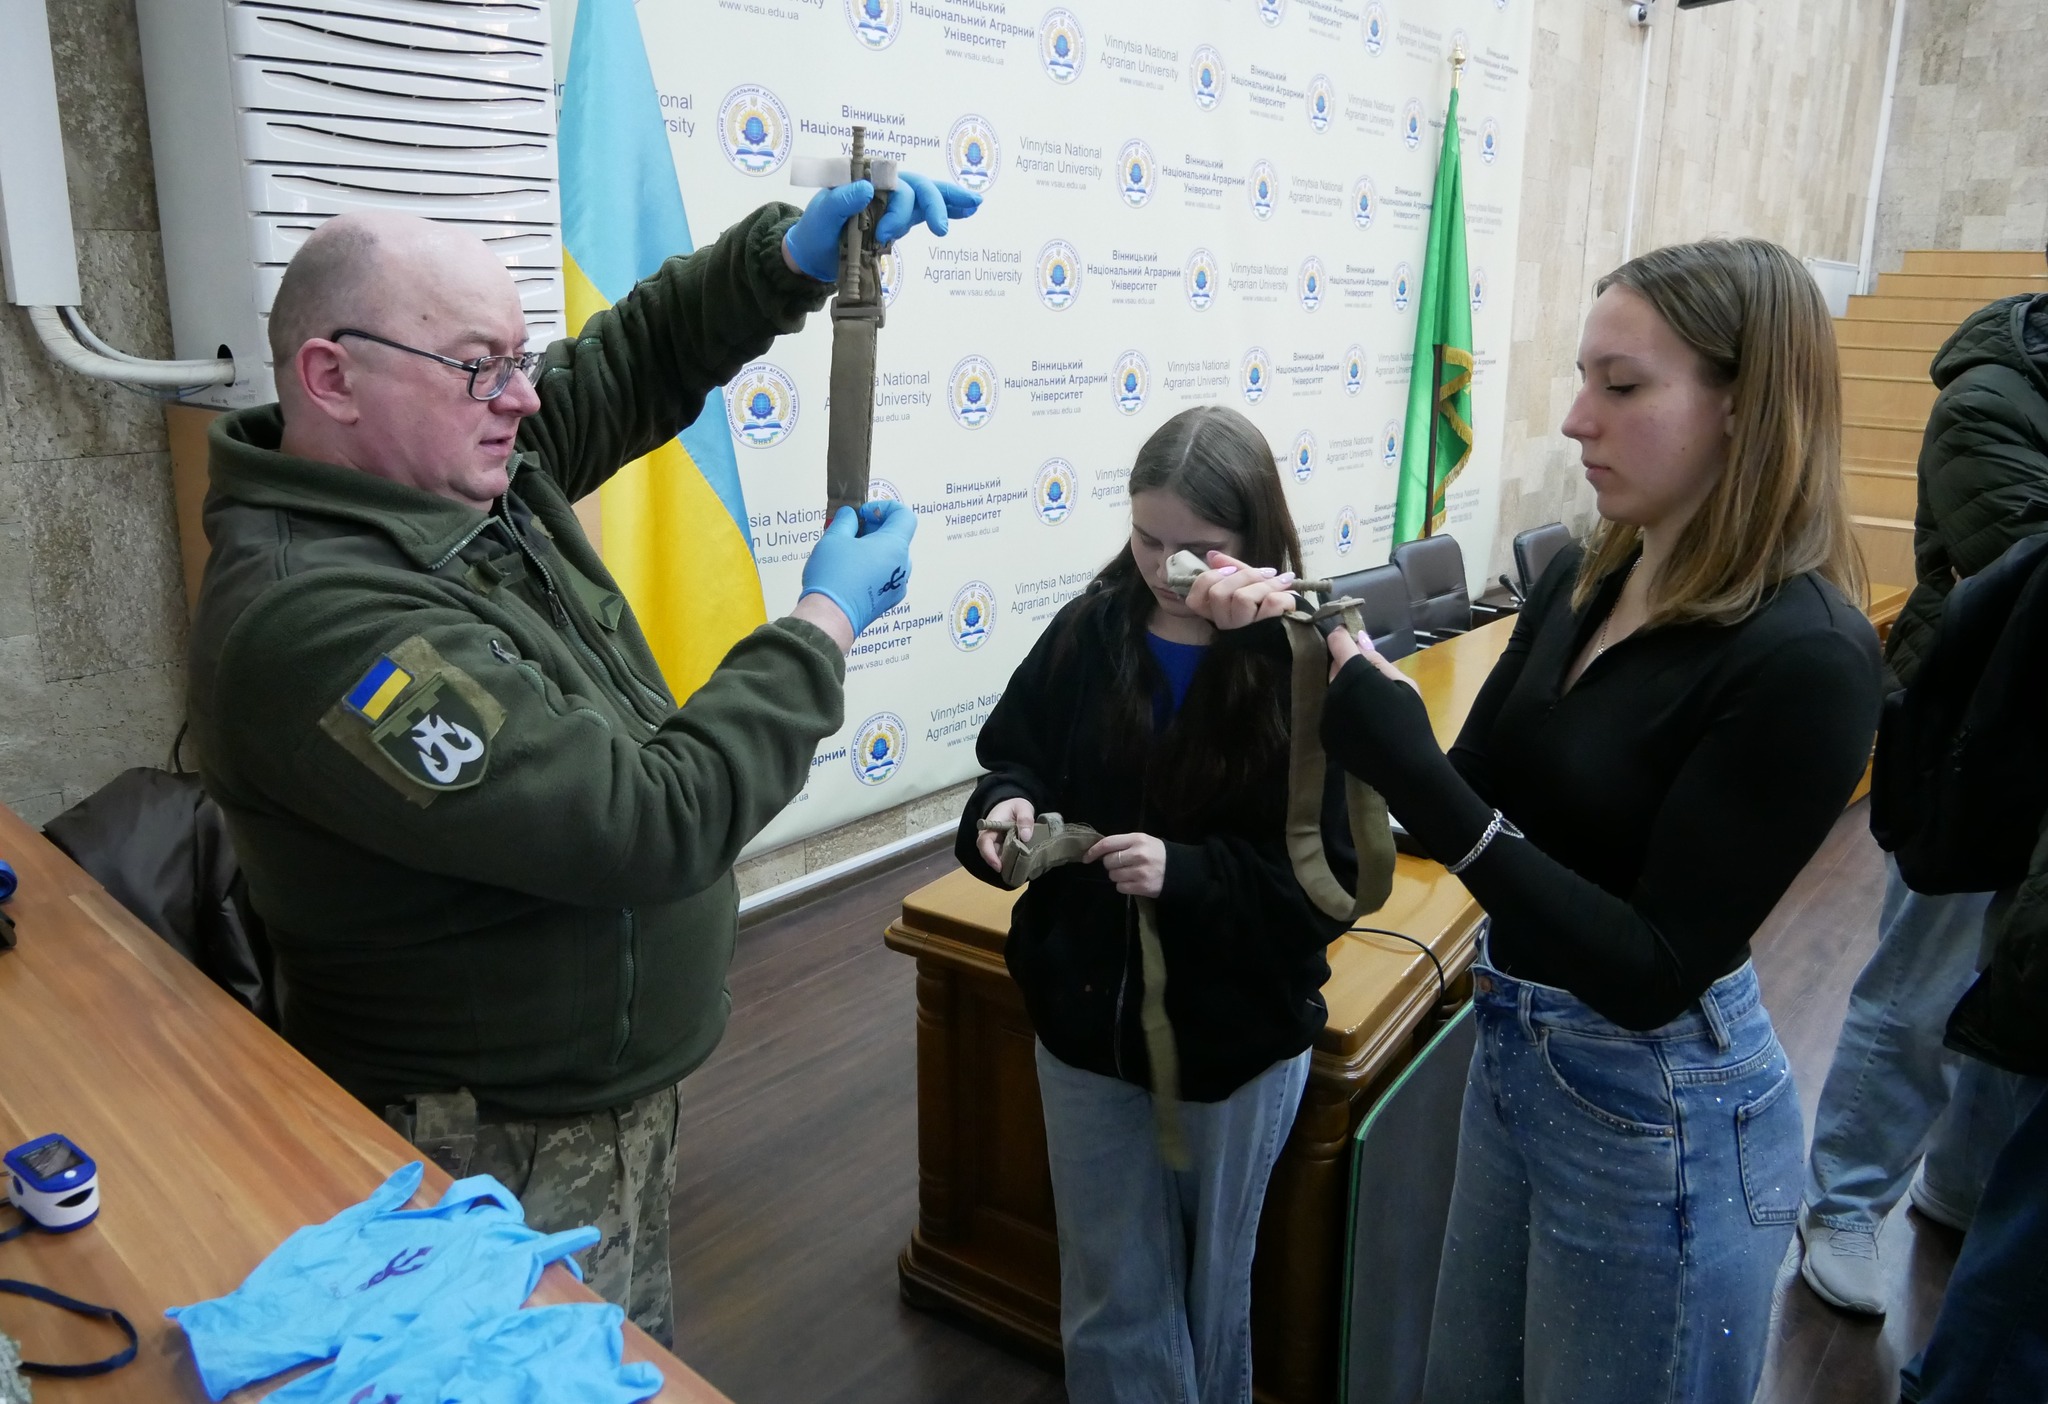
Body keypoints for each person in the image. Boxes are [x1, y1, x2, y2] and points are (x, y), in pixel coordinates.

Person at [185, 172, 976, 1345]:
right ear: (332, 378)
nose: (520, 397)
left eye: (517, 358)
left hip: (572, 1104)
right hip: (489, 1145)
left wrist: (788, 259)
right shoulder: (321, 623)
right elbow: (647, 822)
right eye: (480, 368)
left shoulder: (432, 470)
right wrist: (821, 625)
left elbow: (627, 362)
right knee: (557, 1366)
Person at [1188, 239, 1882, 1403]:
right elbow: (1462, 788)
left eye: (1622, 386)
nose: (1573, 420)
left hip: (1661, 1111)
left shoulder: (1806, 655)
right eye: (1580, 378)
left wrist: (1416, 773)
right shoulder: (1585, 577)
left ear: (1743, 407)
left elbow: (1648, 968)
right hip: (1515, 1048)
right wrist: (1299, 658)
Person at [955, 406, 1353, 1404]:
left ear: (1256, 538)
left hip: (1232, 1041)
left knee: (1211, 1295)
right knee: (1107, 1294)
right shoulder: (1091, 628)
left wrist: (1191, 874)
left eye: (1196, 548)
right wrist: (1003, 809)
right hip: (1085, 1021)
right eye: (1145, 539)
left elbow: (1331, 887)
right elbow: (1013, 756)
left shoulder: (1309, 658)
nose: (1165, 568)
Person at [1798, 281, 2048, 1315]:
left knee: (2018, 981)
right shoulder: (1987, 396)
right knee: (1918, 986)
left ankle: (1959, 1183)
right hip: (1974, 744)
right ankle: (1843, 1204)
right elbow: (2026, 572)